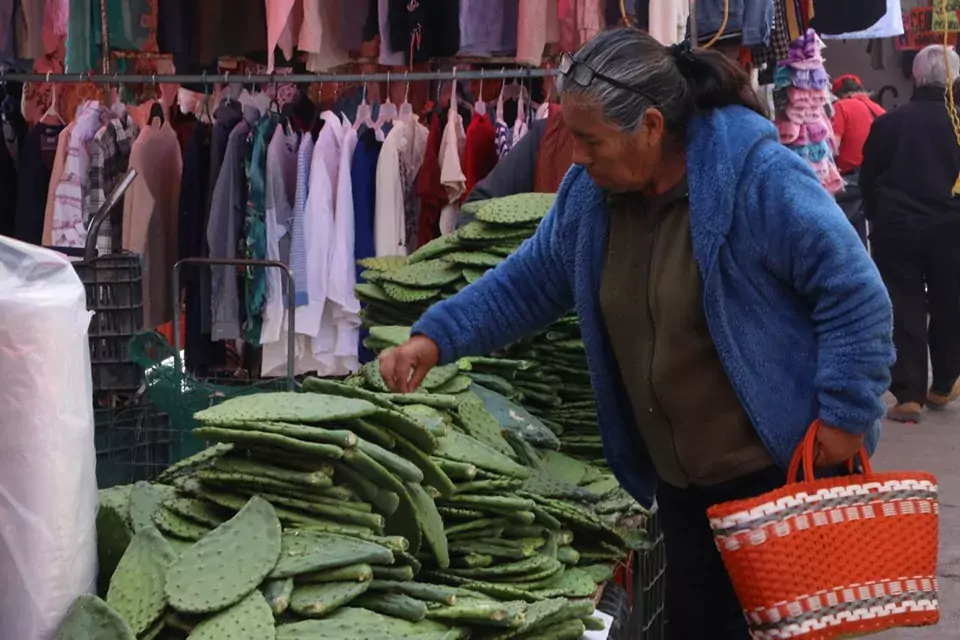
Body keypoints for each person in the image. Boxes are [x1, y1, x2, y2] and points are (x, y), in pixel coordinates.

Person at [380, 28, 894, 638]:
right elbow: (531, 280)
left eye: (591, 140)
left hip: (778, 482)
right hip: (686, 490)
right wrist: (436, 337)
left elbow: (856, 293)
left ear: (651, 127)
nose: (576, 156)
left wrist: (845, 415)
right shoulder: (591, 197)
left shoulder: (758, 178)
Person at [860, 44, 960, 423]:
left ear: (915, 77)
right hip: (951, 229)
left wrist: (875, 217)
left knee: (904, 306)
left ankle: (909, 394)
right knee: (951, 302)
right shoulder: (958, 124)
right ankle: (945, 381)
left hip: (897, 229)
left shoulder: (889, 124)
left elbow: (869, 178)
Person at [830, 74, 885, 247]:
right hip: (879, 180)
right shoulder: (879, 110)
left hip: (851, 181)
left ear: (839, 94)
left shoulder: (840, 107)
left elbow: (833, 147)